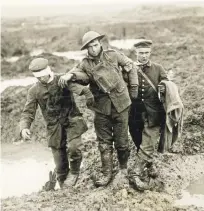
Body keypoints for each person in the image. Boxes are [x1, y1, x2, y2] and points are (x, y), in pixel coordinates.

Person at [58, 31, 138, 187]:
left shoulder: (113, 55)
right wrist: (73, 79)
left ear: (100, 44)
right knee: (104, 142)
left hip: (121, 104)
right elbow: (74, 75)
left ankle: (123, 169)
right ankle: (107, 172)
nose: (94, 49)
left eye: (96, 45)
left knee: (122, 141)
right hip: (101, 108)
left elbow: (131, 66)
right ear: (86, 49)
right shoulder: (85, 64)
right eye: (90, 47)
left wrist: (133, 87)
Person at [20, 58, 88, 189]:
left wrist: (72, 75)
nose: (41, 79)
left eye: (42, 76)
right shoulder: (34, 91)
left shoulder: (62, 80)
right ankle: (63, 186)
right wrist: (24, 127)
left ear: (48, 71)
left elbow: (84, 79)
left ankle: (74, 173)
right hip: (54, 127)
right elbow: (28, 112)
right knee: (59, 161)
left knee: (74, 148)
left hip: (71, 120)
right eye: (37, 77)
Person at [128, 39, 168, 191]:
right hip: (135, 112)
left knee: (148, 142)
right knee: (139, 142)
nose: (144, 56)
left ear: (150, 53)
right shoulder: (129, 68)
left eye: (146, 53)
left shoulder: (158, 68)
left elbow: (166, 81)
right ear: (136, 53)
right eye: (141, 53)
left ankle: (136, 173)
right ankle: (149, 164)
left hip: (154, 112)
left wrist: (163, 86)